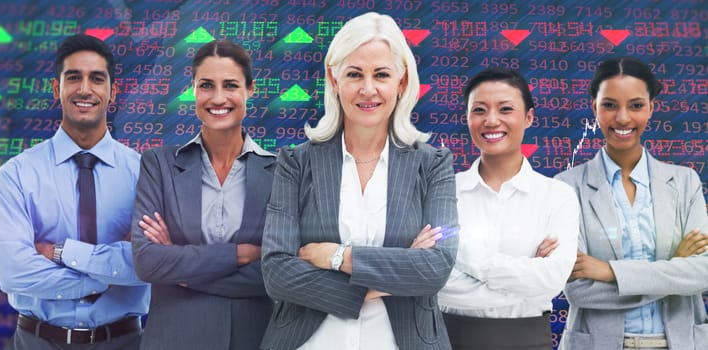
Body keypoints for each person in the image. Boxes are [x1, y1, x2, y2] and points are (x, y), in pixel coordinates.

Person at [260, 12, 459, 350]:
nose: (368, 89)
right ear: (334, 79)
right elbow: (277, 272)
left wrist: (337, 257)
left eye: (381, 74)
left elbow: (435, 268)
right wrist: (384, 279)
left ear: (401, 81)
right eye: (354, 74)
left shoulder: (434, 164)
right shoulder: (296, 162)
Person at [0, 34, 149, 349]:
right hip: (36, 341)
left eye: (97, 79)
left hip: (123, 342)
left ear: (113, 91)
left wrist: (60, 253)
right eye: (73, 77)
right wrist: (109, 274)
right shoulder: (17, 175)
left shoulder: (143, 174)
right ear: (56, 88)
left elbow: (150, 264)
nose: (85, 89)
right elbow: (14, 272)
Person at [131, 39, 275, 350]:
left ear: (250, 90)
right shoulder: (159, 165)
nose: (218, 97)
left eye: (231, 85)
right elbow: (147, 261)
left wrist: (180, 268)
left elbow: (278, 273)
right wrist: (242, 254)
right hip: (174, 340)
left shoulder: (281, 171)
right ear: (193, 90)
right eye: (207, 85)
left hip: (256, 340)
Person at [556, 57, 708, 350]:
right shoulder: (567, 186)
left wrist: (609, 272)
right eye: (610, 105)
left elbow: (702, 273)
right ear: (594, 108)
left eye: (636, 105)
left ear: (652, 108)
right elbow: (579, 291)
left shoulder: (685, 182)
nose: (623, 118)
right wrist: (674, 269)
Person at [436, 67, 580, 350]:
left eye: (505, 109)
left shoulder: (557, 195)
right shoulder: (441, 192)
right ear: (466, 118)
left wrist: (462, 256)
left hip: (527, 341)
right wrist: (527, 283)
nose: (491, 120)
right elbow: (436, 284)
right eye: (479, 110)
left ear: (528, 117)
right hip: (448, 340)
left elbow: (552, 281)